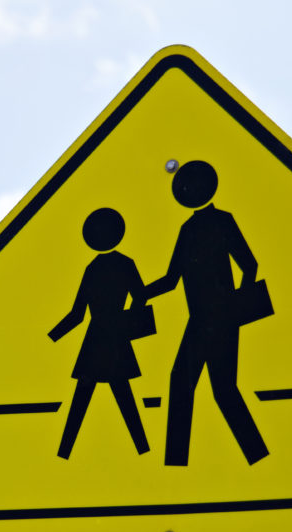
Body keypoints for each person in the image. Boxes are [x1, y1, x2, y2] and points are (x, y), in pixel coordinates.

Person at [146, 160, 269, 466]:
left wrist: (235, 306)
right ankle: (182, 463)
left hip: (215, 319)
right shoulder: (193, 228)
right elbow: (173, 279)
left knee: (213, 388)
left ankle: (253, 456)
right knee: (198, 385)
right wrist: (139, 294)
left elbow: (248, 264)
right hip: (205, 320)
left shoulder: (211, 224)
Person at [49, 207, 150, 460]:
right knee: (118, 393)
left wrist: (53, 336)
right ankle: (143, 449)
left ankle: (64, 452)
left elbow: (77, 314)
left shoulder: (92, 268)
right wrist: (126, 322)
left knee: (89, 396)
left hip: (97, 339)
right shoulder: (123, 264)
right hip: (114, 336)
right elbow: (140, 297)